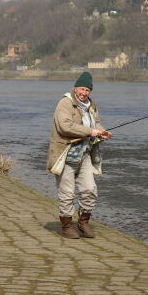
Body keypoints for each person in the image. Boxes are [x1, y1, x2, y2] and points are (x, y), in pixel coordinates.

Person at [47, 72, 112, 239]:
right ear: (75, 88)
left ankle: (83, 223)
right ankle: (67, 226)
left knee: (90, 189)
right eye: (82, 89)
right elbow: (65, 126)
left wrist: (102, 131)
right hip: (65, 155)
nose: (84, 93)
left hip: (84, 154)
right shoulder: (65, 103)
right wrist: (91, 131)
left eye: (88, 90)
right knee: (67, 193)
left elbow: (95, 123)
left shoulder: (91, 105)